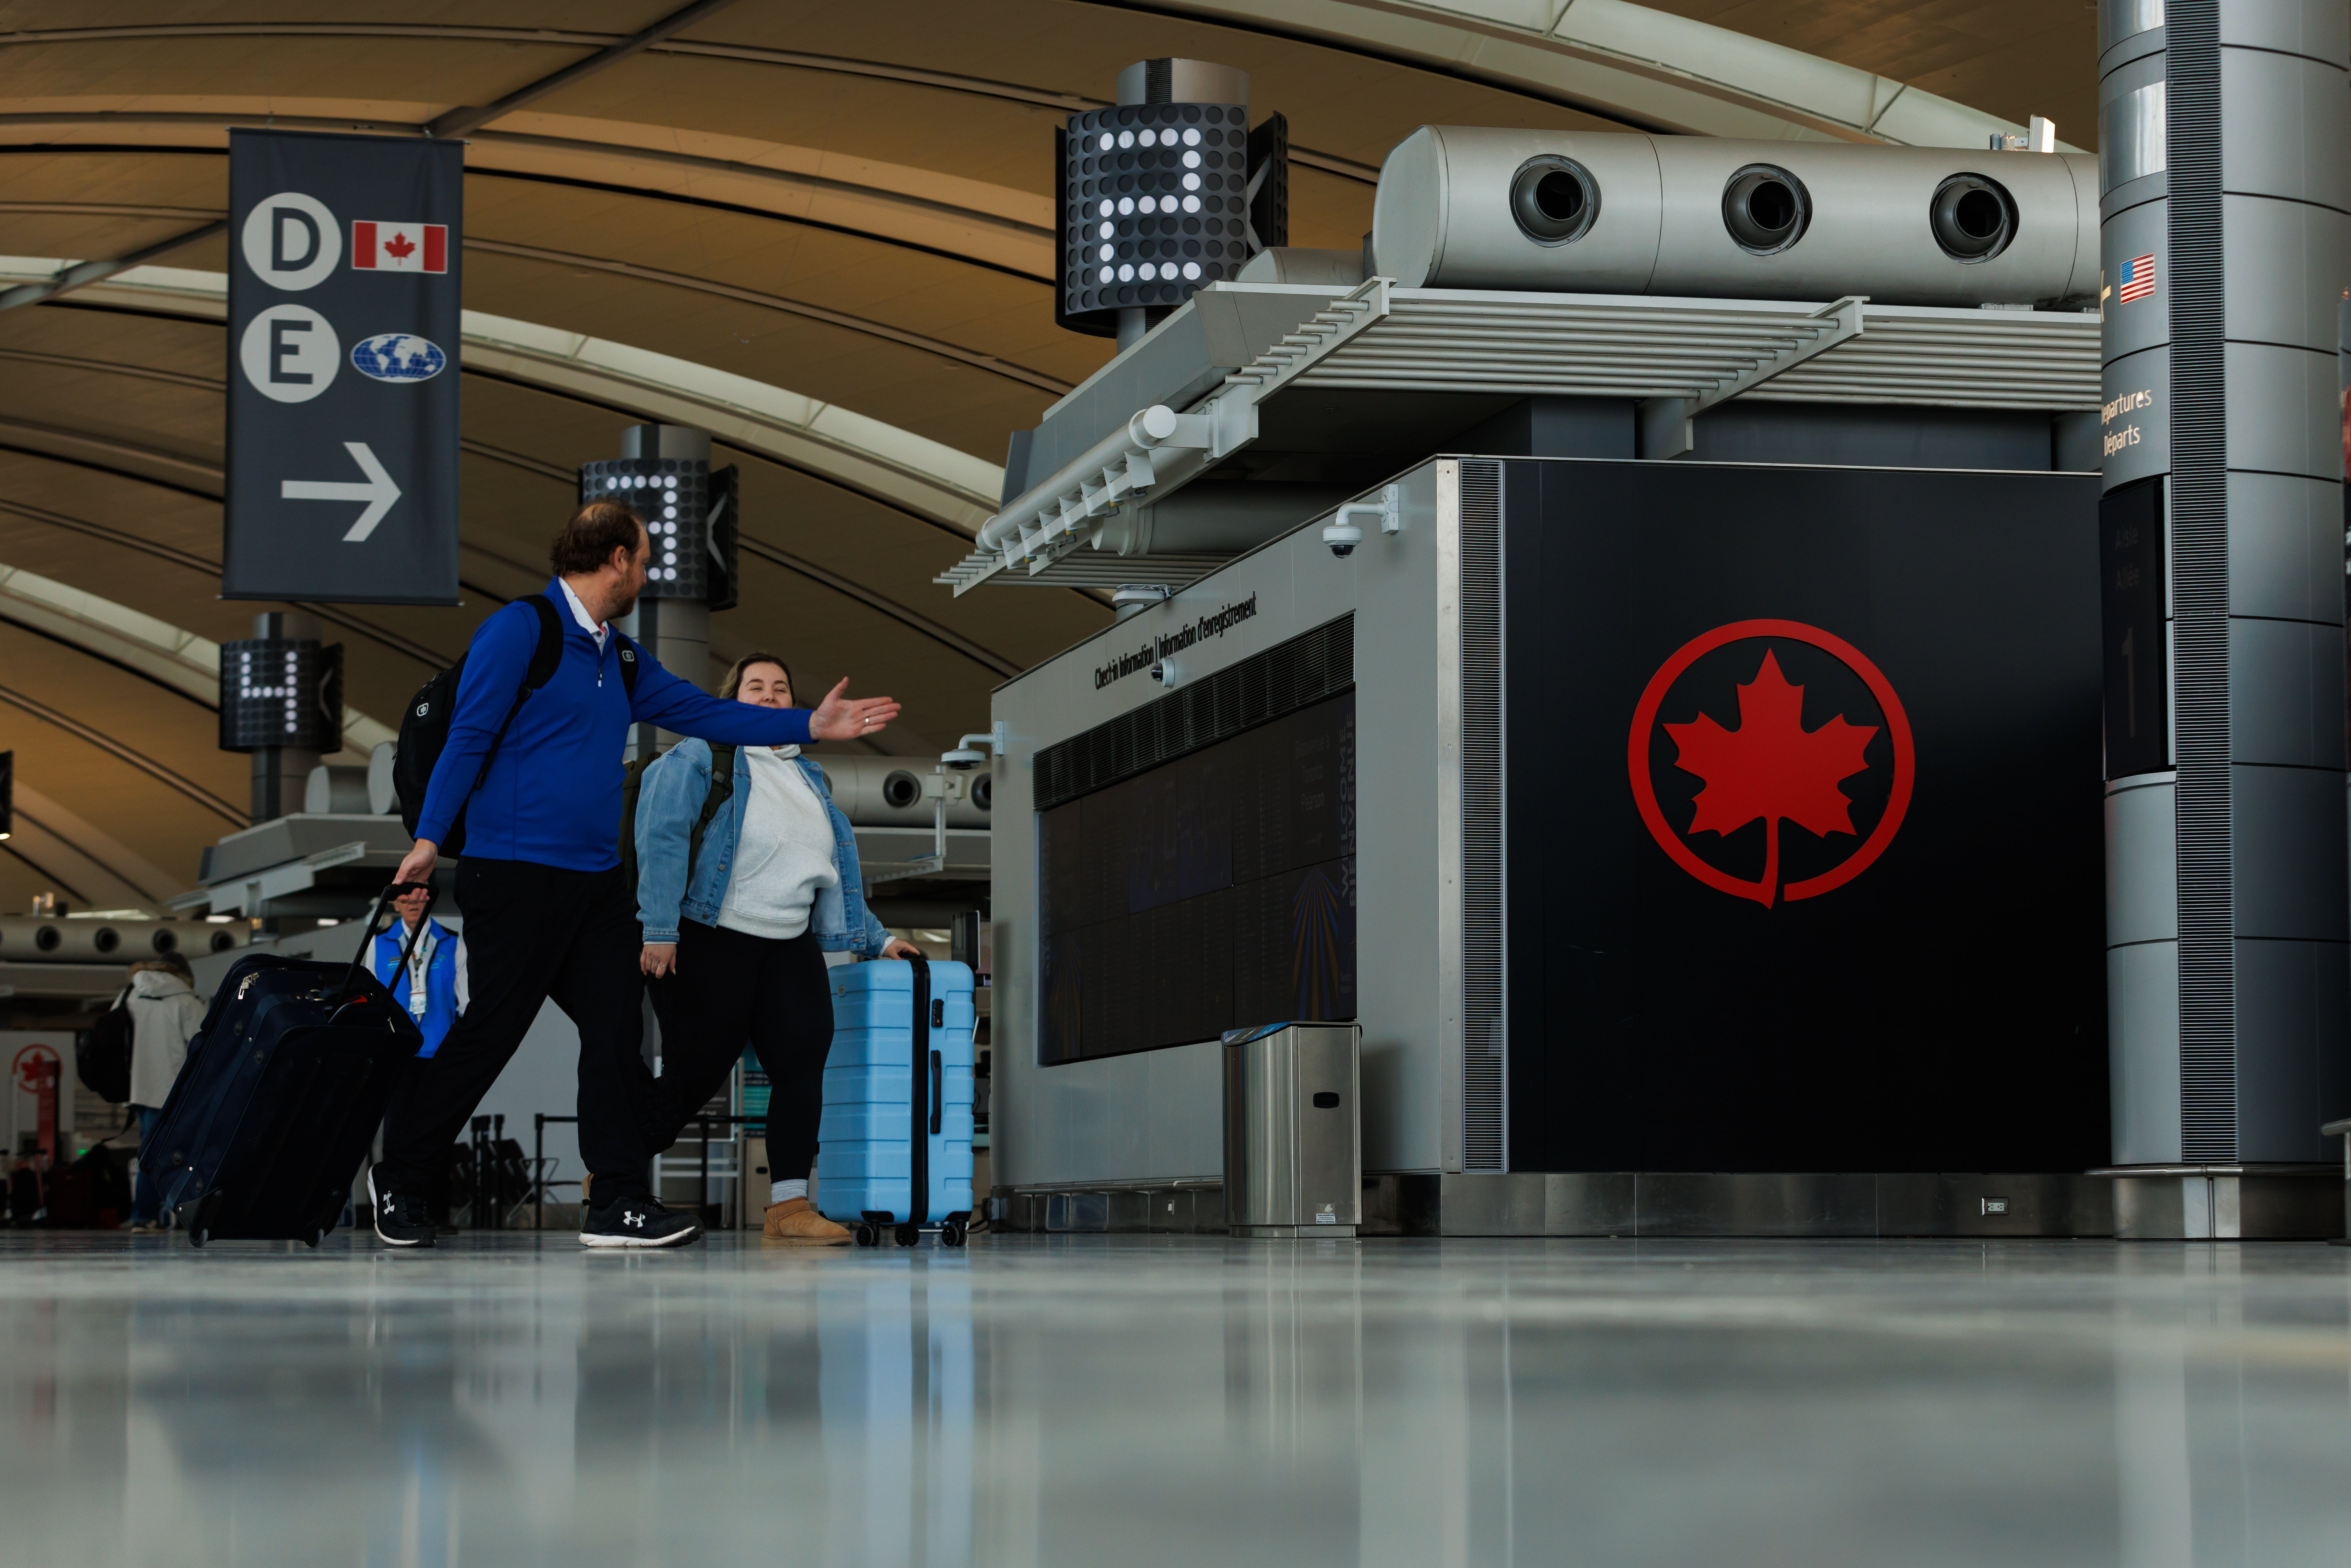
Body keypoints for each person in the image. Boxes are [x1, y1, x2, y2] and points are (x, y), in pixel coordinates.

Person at [370, 500, 901, 1250]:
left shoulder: (617, 659)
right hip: (513, 873)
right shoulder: (523, 630)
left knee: (616, 1034)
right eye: (645, 561)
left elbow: (704, 712)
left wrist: (809, 725)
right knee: (492, 1033)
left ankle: (616, 1200)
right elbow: (470, 735)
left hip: (593, 884)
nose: (647, 575)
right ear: (615, 559)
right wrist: (428, 840)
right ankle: (403, 1176)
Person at [635, 652, 919, 1246]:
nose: (769, 695)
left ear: (794, 706)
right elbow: (659, 837)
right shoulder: (702, 753)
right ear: (730, 699)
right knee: (696, 1075)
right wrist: (658, 928)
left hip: (789, 943)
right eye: (755, 686)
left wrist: (881, 939)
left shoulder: (809, 778)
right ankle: (614, 1170)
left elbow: (828, 872)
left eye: (781, 688)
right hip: (712, 935)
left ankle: (789, 1207)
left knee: (801, 1068)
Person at [125, 954, 204, 1232]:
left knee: (149, 1153)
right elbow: (202, 1049)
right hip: (177, 1091)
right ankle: (184, 1213)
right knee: (189, 1153)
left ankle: (143, 1216)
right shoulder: (187, 1002)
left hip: (140, 1088)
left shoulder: (132, 995)